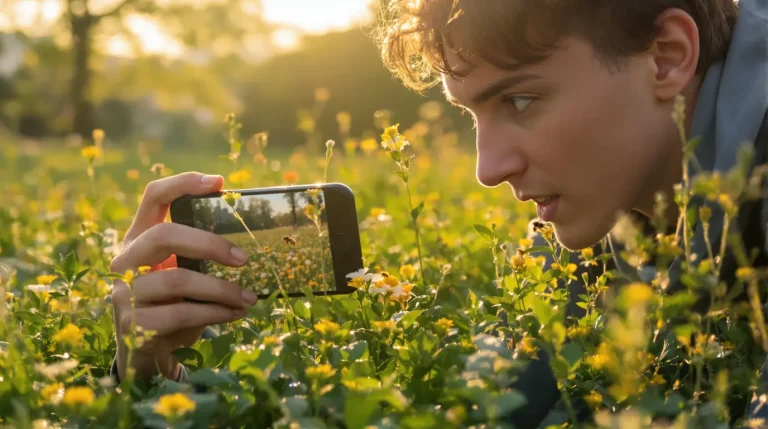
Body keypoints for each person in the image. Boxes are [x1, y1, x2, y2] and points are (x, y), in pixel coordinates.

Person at [109, 0, 768, 426]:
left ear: (667, 56)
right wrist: (150, 378)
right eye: (473, 114)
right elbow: (486, 406)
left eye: (521, 101)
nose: (489, 168)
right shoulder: (607, 209)